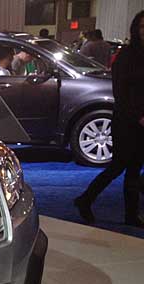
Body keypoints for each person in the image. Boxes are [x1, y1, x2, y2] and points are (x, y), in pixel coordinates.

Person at [75, 11, 144, 227]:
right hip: (126, 121)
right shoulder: (126, 56)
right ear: (135, 29)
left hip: (141, 121)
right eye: (142, 26)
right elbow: (120, 93)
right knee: (118, 166)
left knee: (134, 168)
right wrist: (139, 116)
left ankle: (131, 215)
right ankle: (86, 199)